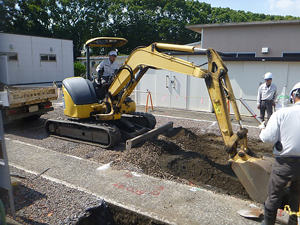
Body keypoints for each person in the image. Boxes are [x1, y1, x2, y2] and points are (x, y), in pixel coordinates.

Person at [259, 82, 300, 225]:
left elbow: (267, 138)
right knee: (297, 196)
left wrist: (262, 129)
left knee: (274, 195)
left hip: (284, 163)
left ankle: (268, 222)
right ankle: (293, 222)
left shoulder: (281, 113)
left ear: (293, 95)